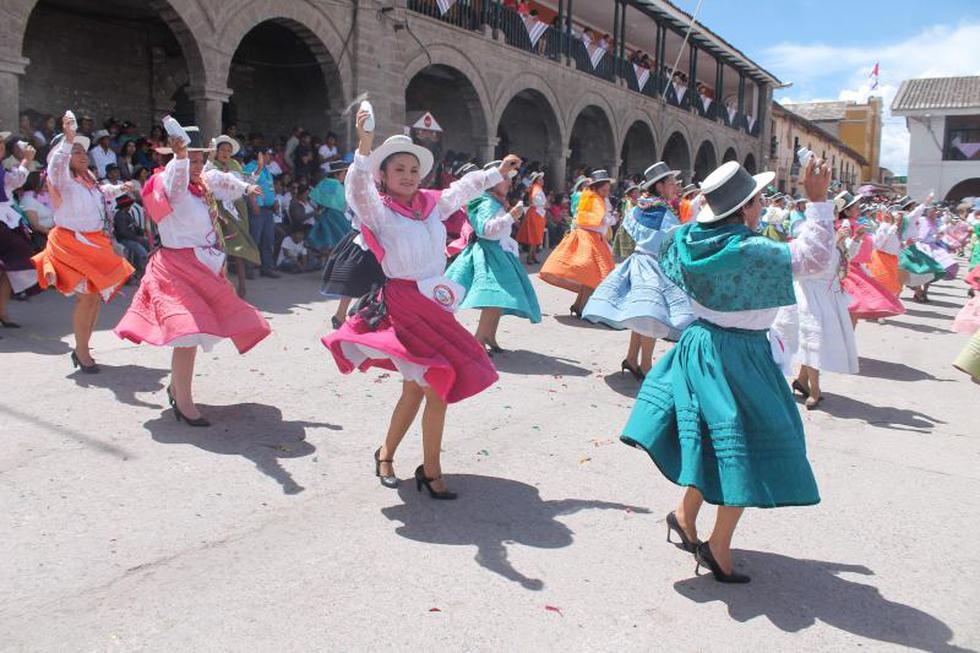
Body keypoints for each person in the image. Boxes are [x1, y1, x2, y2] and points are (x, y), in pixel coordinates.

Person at [621, 158, 834, 584]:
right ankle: (718, 546)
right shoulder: (749, 249)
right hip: (740, 355)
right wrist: (818, 203)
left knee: (711, 441)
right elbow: (815, 258)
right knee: (743, 449)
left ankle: (684, 516)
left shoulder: (689, 239)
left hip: (701, 344)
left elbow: (672, 257)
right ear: (747, 208)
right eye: (757, 201)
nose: (761, 207)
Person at [322, 111, 520, 499]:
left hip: (434, 306)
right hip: (403, 306)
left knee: (419, 390)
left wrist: (498, 171)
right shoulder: (376, 209)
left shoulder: (431, 204)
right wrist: (364, 145)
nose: (409, 175)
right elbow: (358, 188)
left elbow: (463, 189)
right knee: (434, 386)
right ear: (385, 175)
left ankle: (387, 454)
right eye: (399, 169)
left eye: (414, 168)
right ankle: (430, 471)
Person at [115, 125, 270, 426]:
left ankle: (178, 389)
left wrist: (246, 188)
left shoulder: (202, 181)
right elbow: (176, 182)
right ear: (175, 155)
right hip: (177, 267)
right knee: (186, 333)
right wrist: (181, 157)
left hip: (205, 264)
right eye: (193, 159)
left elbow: (223, 179)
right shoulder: (167, 183)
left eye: (201, 160)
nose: (198, 166)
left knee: (198, 331)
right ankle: (183, 401)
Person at [32, 113, 135, 372]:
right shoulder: (61, 179)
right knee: (86, 298)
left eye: (83, 151)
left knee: (95, 297)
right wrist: (67, 141)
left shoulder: (87, 181)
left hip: (95, 243)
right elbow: (55, 164)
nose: (83, 154)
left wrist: (122, 187)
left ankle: (83, 347)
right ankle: (81, 350)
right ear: (64, 154)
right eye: (76, 151)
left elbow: (102, 193)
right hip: (72, 244)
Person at [583, 162, 694, 379]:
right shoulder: (663, 212)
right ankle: (645, 366)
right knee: (651, 314)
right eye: (671, 182)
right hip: (653, 266)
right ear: (660, 186)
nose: (675, 186)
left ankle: (632, 358)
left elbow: (627, 232)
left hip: (638, 262)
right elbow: (675, 240)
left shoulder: (639, 207)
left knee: (641, 312)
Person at [445, 160, 542, 353]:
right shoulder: (486, 202)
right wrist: (510, 216)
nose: (508, 182)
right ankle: (479, 339)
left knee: (499, 298)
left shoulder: (495, 201)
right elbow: (485, 230)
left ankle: (489, 336)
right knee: (494, 297)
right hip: (489, 255)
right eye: (504, 178)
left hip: (499, 252)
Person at [539, 169, 618, 317]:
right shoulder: (595, 199)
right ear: (596, 187)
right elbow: (601, 220)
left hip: (588, 238)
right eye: (604, 189)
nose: (606, 192)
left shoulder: (591, 197)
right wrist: (614, 218)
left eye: (608, 189)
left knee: (589, 277)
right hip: (591, 239)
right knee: (592, 276)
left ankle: (578, 305)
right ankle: (581, 307)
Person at [835, 191, 904, 326]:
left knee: (852, 309)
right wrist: (886, 226)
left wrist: (887, 225)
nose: (859, 208)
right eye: (856, 207)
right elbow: (847, 251)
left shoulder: (854, 223)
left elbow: (874, 243)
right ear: (847, 211)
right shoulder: (846, 224)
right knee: (853, 308)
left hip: (856, 267)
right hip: (849, 269)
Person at [207, 134, 262, 297]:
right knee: (220, 248)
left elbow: (246, 182)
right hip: (218, 208)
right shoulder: (210, 166)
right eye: (222, 149)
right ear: (216, 152)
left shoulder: (235, 164)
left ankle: (242, 286)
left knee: (239, 246)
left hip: (237, 209)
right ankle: (221, 288)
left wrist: (258, 170)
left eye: (229, 150)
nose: (225, 153)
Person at [0, 136, 37, 327]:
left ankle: (2, 312)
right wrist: (25, 161)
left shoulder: (3, 172)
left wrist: (26, 160)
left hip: (6, 223)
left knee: (10, 268)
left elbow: (16, 181)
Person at [243, 151, 279, 278]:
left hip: (268, 209)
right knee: (254, 239)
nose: (271, 157)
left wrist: (274, 200)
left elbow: (269, 187)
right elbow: (248, 186)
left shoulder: (266, 170)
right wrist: (253, 203)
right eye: (269, 154)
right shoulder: (250, 167)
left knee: (268, 240)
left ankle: (267, 268)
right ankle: (249, 268)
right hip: (258, 209)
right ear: (260, 155)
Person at [308, 161, 352, 256]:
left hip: (324, 215)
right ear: (336, 174)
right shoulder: (337, 185)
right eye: (344, 173)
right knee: (344, 237)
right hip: (336, 216)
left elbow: (315, 200)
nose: (345, 176)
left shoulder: (324, 182)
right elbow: (343, 203)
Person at [112, 194, 149, 276]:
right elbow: (123, 233)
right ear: (125, 206)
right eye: (129, 205)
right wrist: (137, 238)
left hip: (132, 238)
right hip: (124, 240)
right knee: (142, 252)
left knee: (147, 243)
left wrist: (140, 231)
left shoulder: (127, 214)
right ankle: (140, 271)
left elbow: (134, 226)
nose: (130, 207)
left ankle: (139, 268)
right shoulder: (119, 216)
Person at [516, 171, 547, 264]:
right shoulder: (536, 189)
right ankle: (530, 257)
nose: (542, 180)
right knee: (533, 237)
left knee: (536, 237)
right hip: (535, 214)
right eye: (541, 179)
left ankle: (533, 256)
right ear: (537, 180)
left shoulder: (537, 188)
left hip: (537, 214)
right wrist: (545, 204)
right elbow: (536, 201)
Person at [612, 182, 641, 259]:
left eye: (637, 192)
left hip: (637, 230)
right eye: (634, 193)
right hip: (626, 229)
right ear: (630, 194)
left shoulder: (641, 203)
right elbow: (618, 212)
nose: (636, 194)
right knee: (626, 255)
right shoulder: (624, 202)